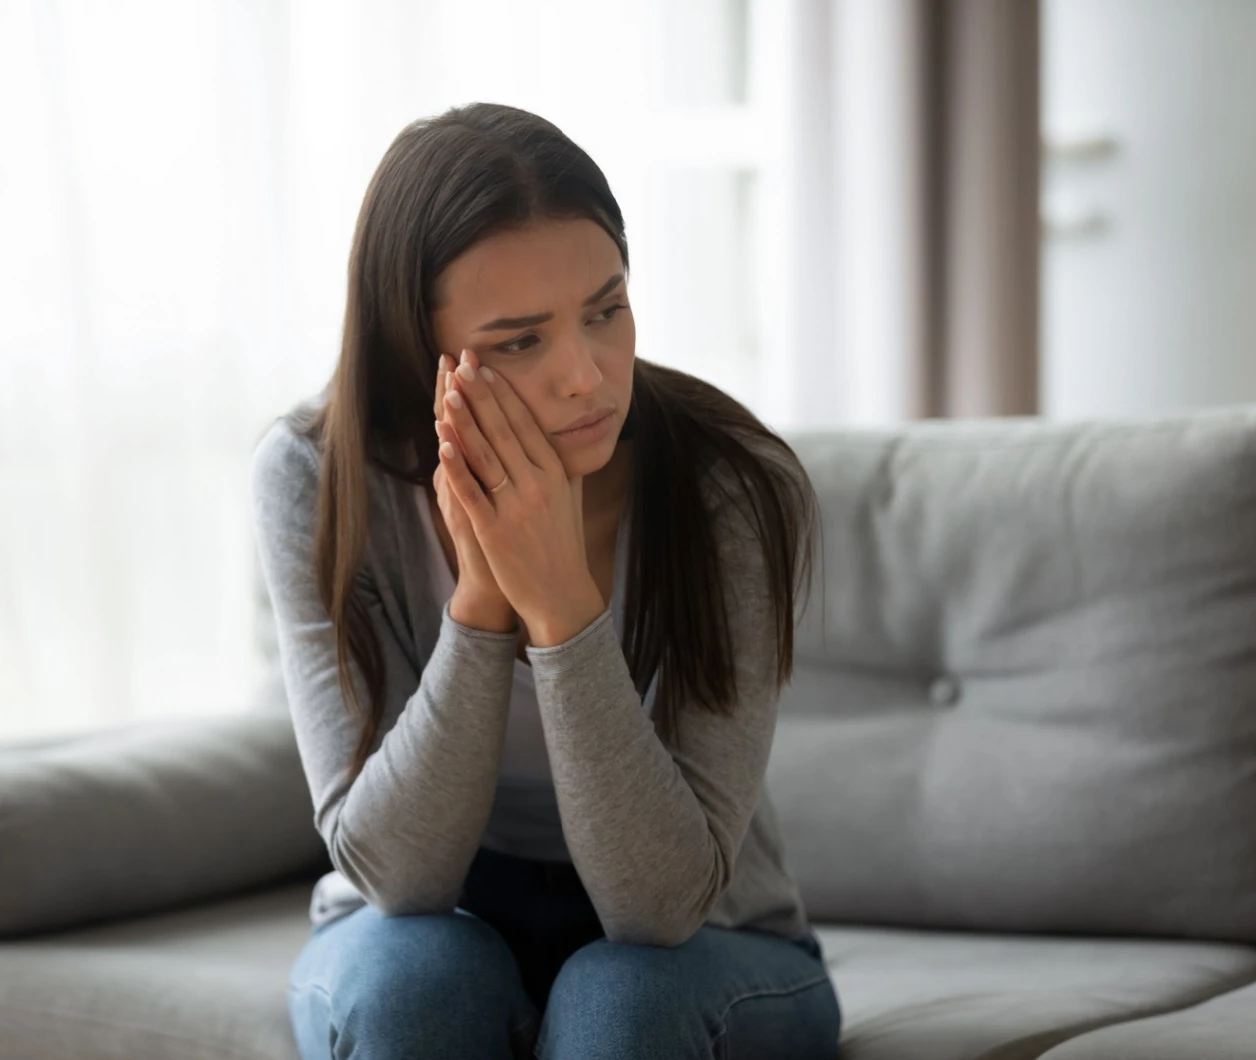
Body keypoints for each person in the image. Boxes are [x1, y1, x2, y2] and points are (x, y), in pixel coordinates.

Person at [249, 101, 841, 1060]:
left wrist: (563, 605)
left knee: (624, 1003)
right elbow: (398, 877)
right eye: (520, 341)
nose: (587, 376)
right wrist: (482, 603)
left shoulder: (731, 484)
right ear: (416, 354)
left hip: (702, 946)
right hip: (434, 925)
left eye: (606, 310)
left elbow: (659, 907)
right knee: (412, 990)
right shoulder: (313, 482)